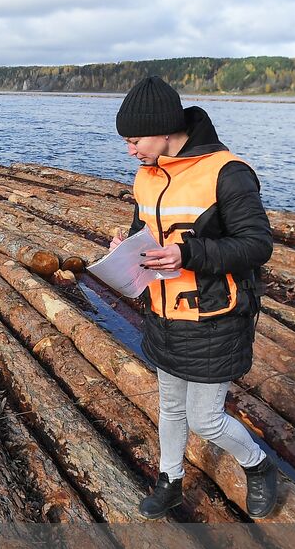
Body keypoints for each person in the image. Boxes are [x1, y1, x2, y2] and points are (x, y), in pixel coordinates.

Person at [111, 75, 279, 518]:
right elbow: (144, 231)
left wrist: (187, 254)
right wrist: (125, 250)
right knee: (169, 406)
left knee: (205, 419)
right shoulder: (147, 175)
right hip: (164, 312)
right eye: (126, 142)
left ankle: (259, 465)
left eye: (135, 140)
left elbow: (257, 245)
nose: (130, 149)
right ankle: (170, 481)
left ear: (166, 129)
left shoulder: (227, 172)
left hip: (215, 315)